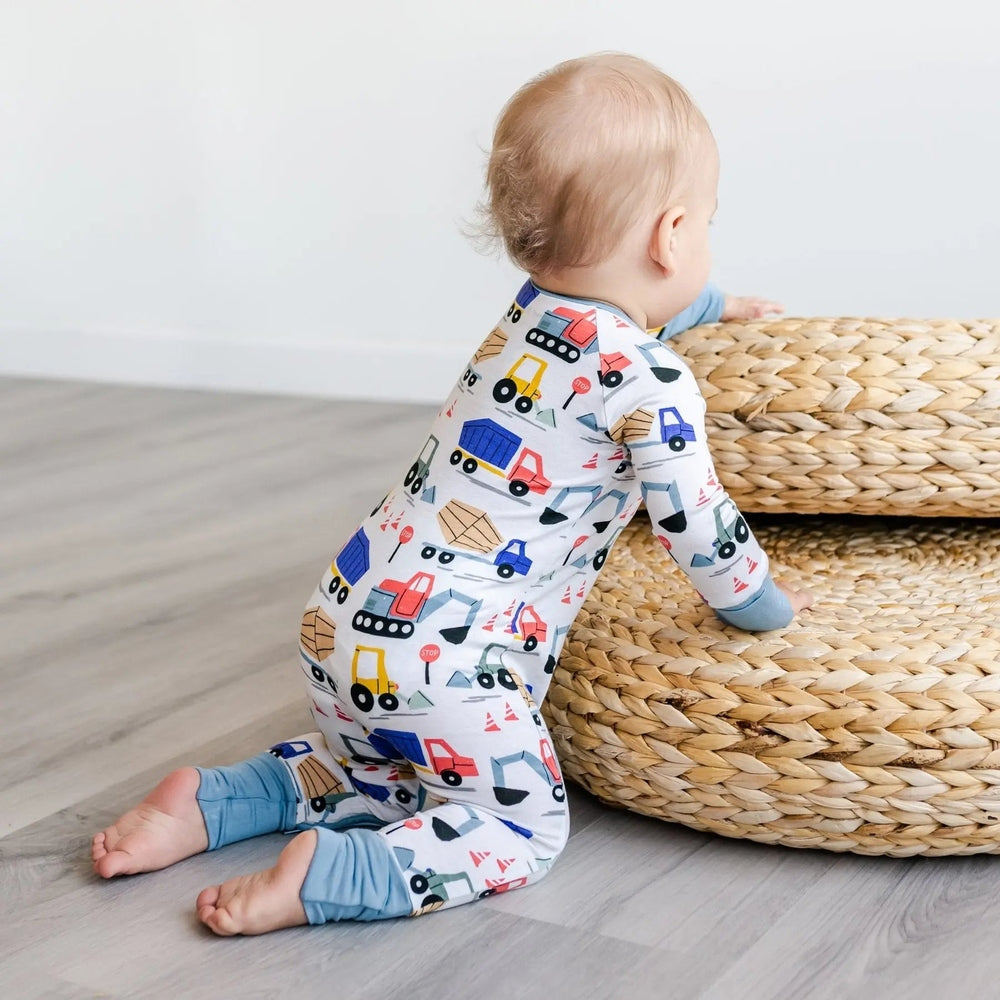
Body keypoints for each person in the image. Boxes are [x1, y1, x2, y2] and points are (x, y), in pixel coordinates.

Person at [91, 52, 812, 936]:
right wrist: (761, 604)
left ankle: (220, 801)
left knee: (379, 777)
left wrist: (709, 304)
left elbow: (616, 312)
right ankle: (339, 875)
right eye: (706, 223)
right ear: (671, 235)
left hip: (343, 615)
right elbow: (697, 523)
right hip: (448, 661)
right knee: (522, 828)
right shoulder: (651, 383)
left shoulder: (528, 317)